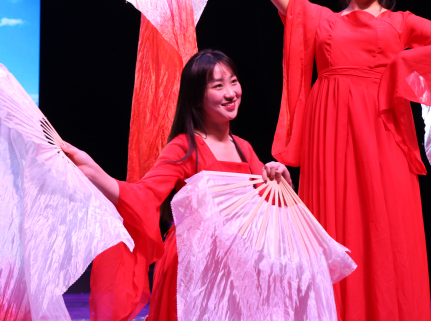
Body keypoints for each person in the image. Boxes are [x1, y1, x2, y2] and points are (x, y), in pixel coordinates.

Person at [208, 0, 431, 321]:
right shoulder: (319, 21)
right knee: (335, 224)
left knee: (388, 225)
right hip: (331, 137)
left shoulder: (402, 23)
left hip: (384, 131)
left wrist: (404, 66)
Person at [61, 49, 293, 321]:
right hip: (193, 267)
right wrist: (91, 169)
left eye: (233, 81)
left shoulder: (244, 148)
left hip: (237, 266)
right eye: (218, 86)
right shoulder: (184, 147)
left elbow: (274, 211)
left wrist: (281, 179)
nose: (231, 93)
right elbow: (144, 196)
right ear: (196, 98)